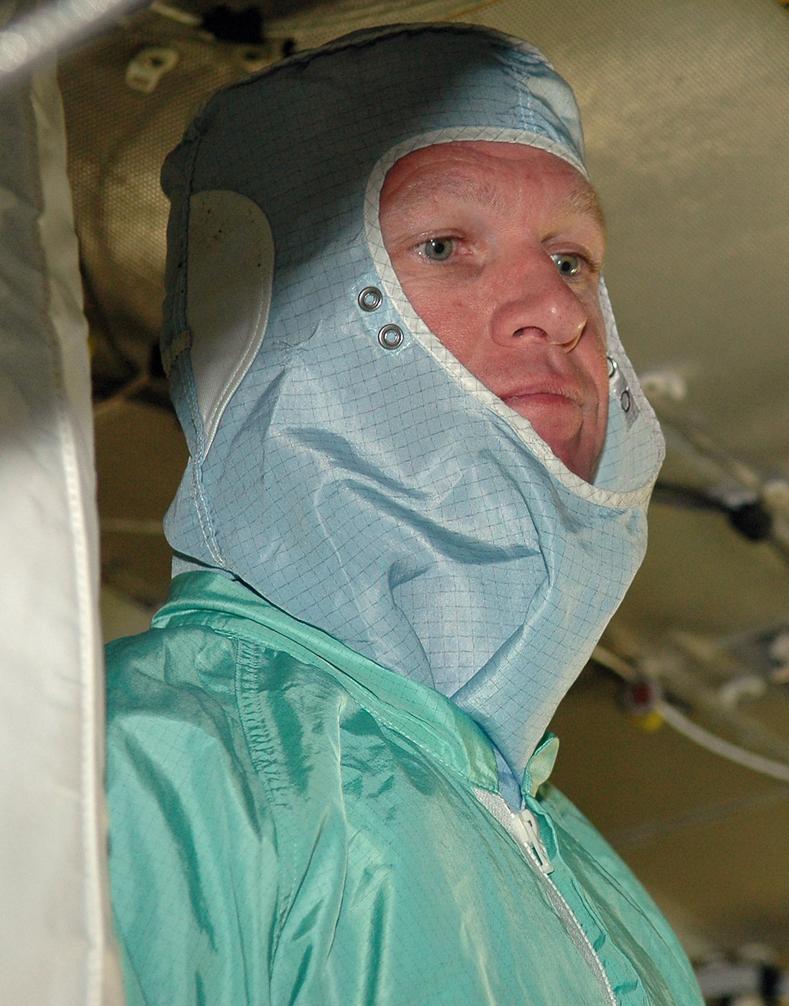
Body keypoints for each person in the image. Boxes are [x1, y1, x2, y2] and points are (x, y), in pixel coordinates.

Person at [104, 23, 701, 1005]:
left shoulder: (595, 884)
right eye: (443, 247)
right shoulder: (143, 764)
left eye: (569, 260)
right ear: (285, 322)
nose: (559, 313)